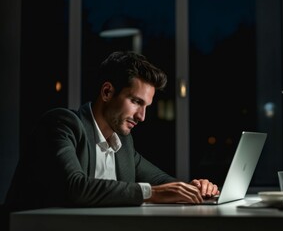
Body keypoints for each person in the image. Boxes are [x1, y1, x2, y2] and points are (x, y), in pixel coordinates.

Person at [5, 50, 219, 211]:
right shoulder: (61, 124)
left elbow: (161, 181)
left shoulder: (123, 143)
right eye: (136, 102)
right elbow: (75, 187)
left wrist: (194, 187)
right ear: (107, 92)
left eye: (146, 106)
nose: (141, 116)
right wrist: (150, 193)